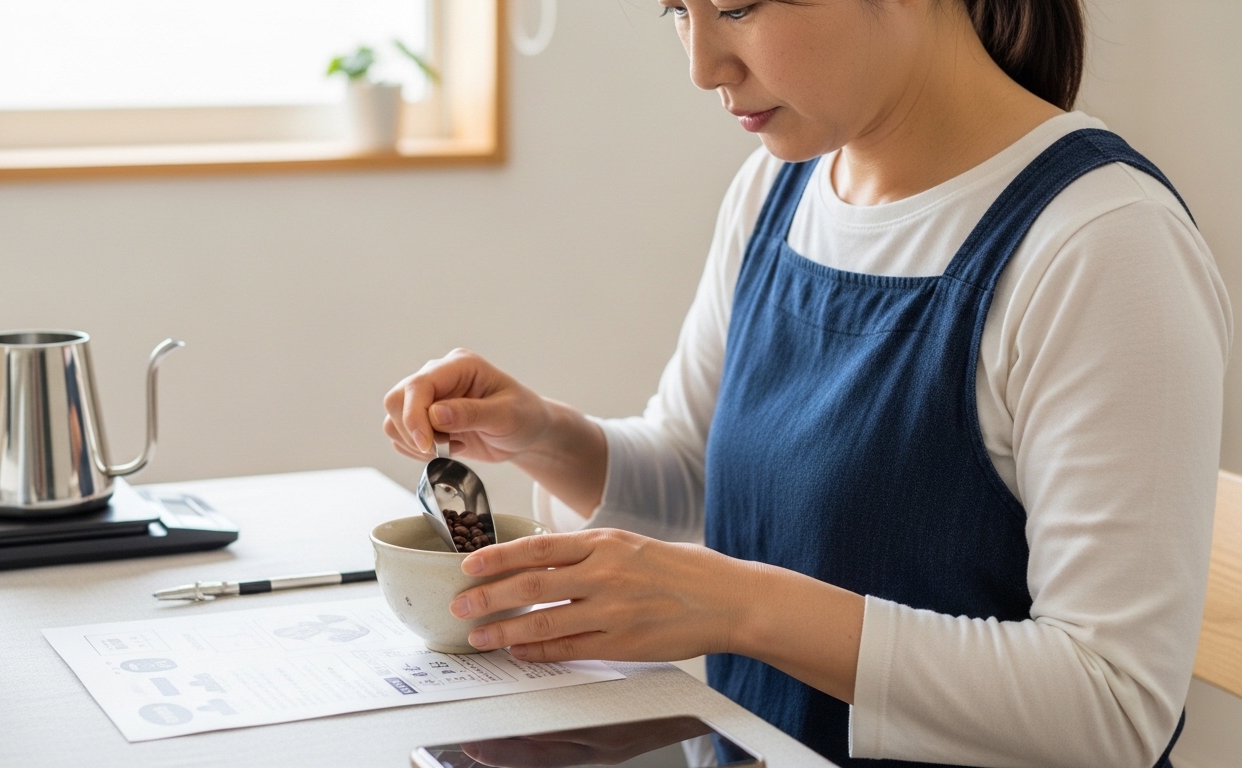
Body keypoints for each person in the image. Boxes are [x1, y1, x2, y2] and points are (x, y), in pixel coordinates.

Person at [382, 1, 1231, 766]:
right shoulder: (776, 190)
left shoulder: (1105, 247)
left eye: (738, 8)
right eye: (677, 11)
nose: (703, 66)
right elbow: (695, 471)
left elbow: (1114, 709)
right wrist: (543, 434)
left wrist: (739, 609)